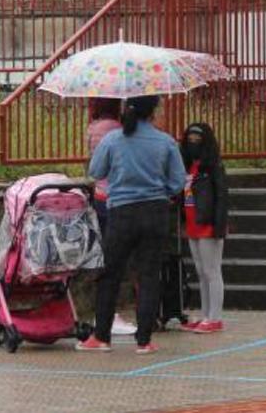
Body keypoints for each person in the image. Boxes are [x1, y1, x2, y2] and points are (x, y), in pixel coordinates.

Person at [77, 96, 185, 355]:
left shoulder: (113, 139)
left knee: (110, 274)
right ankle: (144, 340)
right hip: (156, 212)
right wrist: (162, 191)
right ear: (154, 112)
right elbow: (178, 180)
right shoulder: (166, 141)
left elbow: (96, 171)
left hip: (122, 213)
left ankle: (101, 337)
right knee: (149, 275)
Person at [84, 97, 137, 336]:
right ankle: (110, 314)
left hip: (99, 194)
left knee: (104, 254)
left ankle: (104, 313)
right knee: (117, 260)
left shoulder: (92, 128)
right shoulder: (117, 130)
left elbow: (92, 164)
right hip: (118, 197)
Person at [178, 122, 229, 334]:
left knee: (212, 270)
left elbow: (222, 197)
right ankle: (205, 314)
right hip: (192, 222)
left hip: (207, 223)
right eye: (189, 139)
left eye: (197, 140)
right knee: (200, 271)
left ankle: (215, 317)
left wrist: (219, 225)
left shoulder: (213, 166)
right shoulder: (188, 165)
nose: (193, 144)